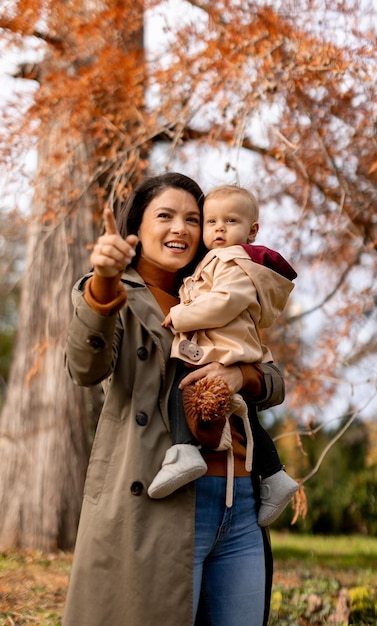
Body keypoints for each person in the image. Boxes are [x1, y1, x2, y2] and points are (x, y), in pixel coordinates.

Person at [63, 172, 288, 626]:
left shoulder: (215, 286)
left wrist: (237, 374)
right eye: (165, 216)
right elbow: (86, 369)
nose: (181, 229)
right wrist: (104, 283)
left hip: (241, 502)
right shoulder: (109, 292)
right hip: (158, 499)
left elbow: (274, 381)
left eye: (193, 219)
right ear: (137, 226)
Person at [148, 184, 299, 526]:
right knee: (245, 415)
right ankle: (274, 475)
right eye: (211, 221)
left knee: (182, 387)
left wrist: (181, 315)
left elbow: (224, 302)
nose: (218, 228)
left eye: (230, 220)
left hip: (225, 345)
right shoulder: (218, 259)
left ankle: (185, 451)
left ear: (252, 230)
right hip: (226, 343)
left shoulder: (235, 261)